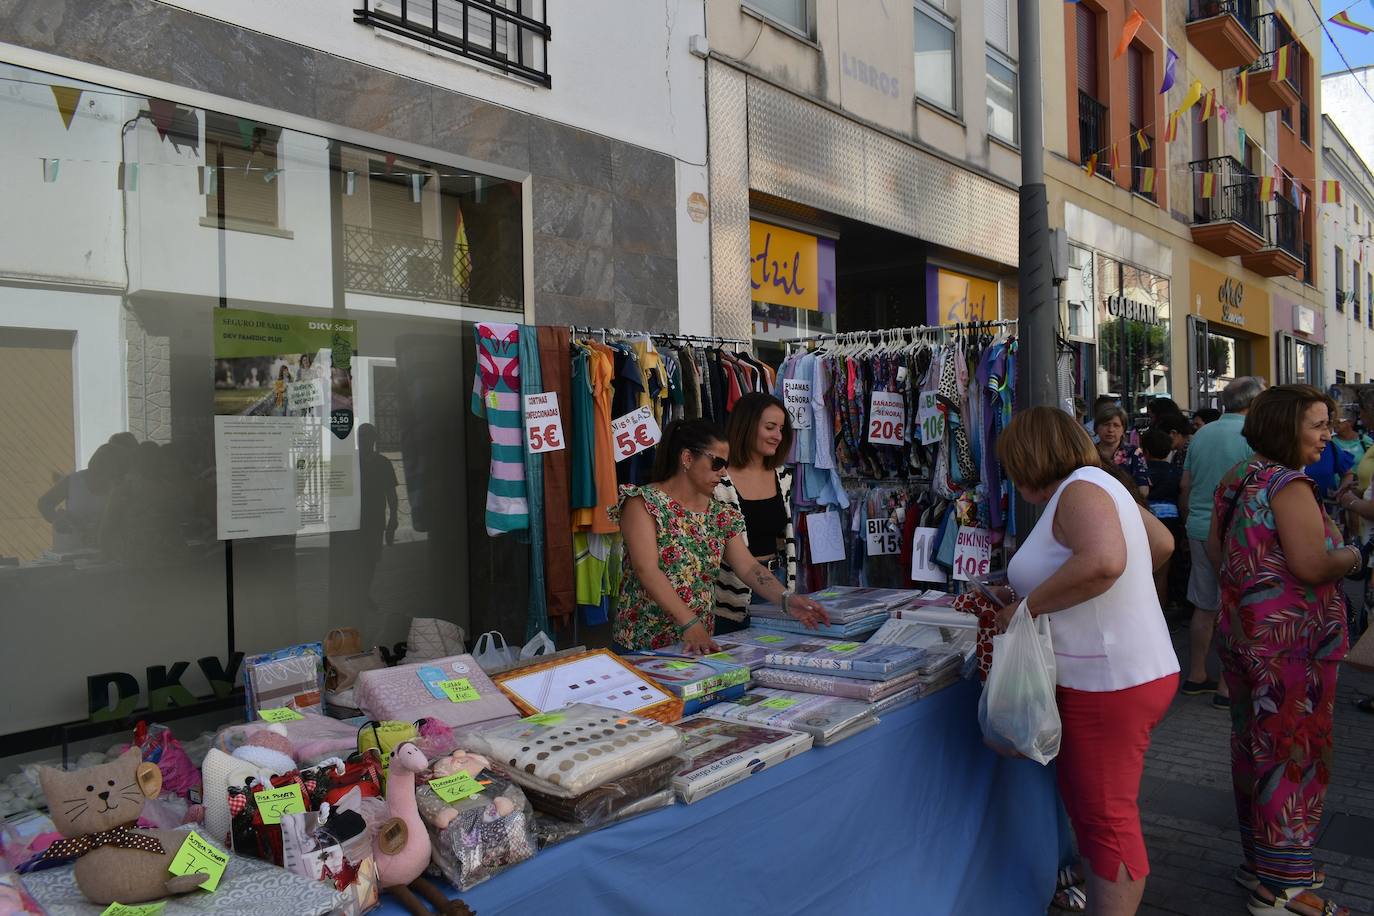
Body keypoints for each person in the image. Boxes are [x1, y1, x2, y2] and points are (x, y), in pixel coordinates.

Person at [994, 407, 1179, 916]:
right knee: (1099, 812)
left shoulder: (1079, 490)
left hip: (1108, 681)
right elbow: (1158, 544)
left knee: (1107, 821)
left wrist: (1029, 605)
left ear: (1031, 456)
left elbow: (1103, 561)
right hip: (1126, 670)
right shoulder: (1099, 482)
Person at [1208, 385, 1355, 916]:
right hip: (1291, 650)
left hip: (1247, 641)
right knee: (1293, 757)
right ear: (1286, 426)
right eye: (1318, 423)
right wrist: (1352, 555)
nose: (1326, 433)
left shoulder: (1238, 478)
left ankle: (1262, 863)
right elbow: (1314, 565)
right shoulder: (1288, 485)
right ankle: (1284, 888)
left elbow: (1213, 548)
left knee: (1253, 751)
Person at [611, 419, 828, 654]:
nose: (723, 471)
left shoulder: (720, 513)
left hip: (696, 644)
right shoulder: (643, 502)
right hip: (642, 642)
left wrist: (787, 600)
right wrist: (690, 623)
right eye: (717, 462)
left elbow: (748, 567)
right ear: (687, 458)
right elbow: (647, 570)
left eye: (725, 464)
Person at [1178, 376, 1264, 704]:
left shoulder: (1201, 434)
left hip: (1200, 527)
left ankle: (1196, 674)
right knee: (1235, 606)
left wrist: (1189, 523)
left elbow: (1185, 485)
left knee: (1204, 605)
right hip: (1237, 532)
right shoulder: (1252, 436)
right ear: (1254, 404)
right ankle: (1227, 687)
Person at [713, 392, 796, 634]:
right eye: (770, 427)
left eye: (781, 429)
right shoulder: (717, 479)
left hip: (775, 583)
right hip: (727, 596)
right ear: (747, 426)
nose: (778, 436)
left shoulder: (782, 476)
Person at [1095, 405, 1150, 497]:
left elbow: (1143, 489)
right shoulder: (1088, 452)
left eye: (1116, 425)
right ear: (1096, 428)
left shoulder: (1134, 453)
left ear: (1123, 429)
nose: (1111, 430)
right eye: (1106, 424)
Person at [1332, 404, 1371, 468]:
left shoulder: (1364, 440)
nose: (1335, 425)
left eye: (1338, 422)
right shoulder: (1331, 442)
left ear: (1350, 422)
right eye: (1334, 422)